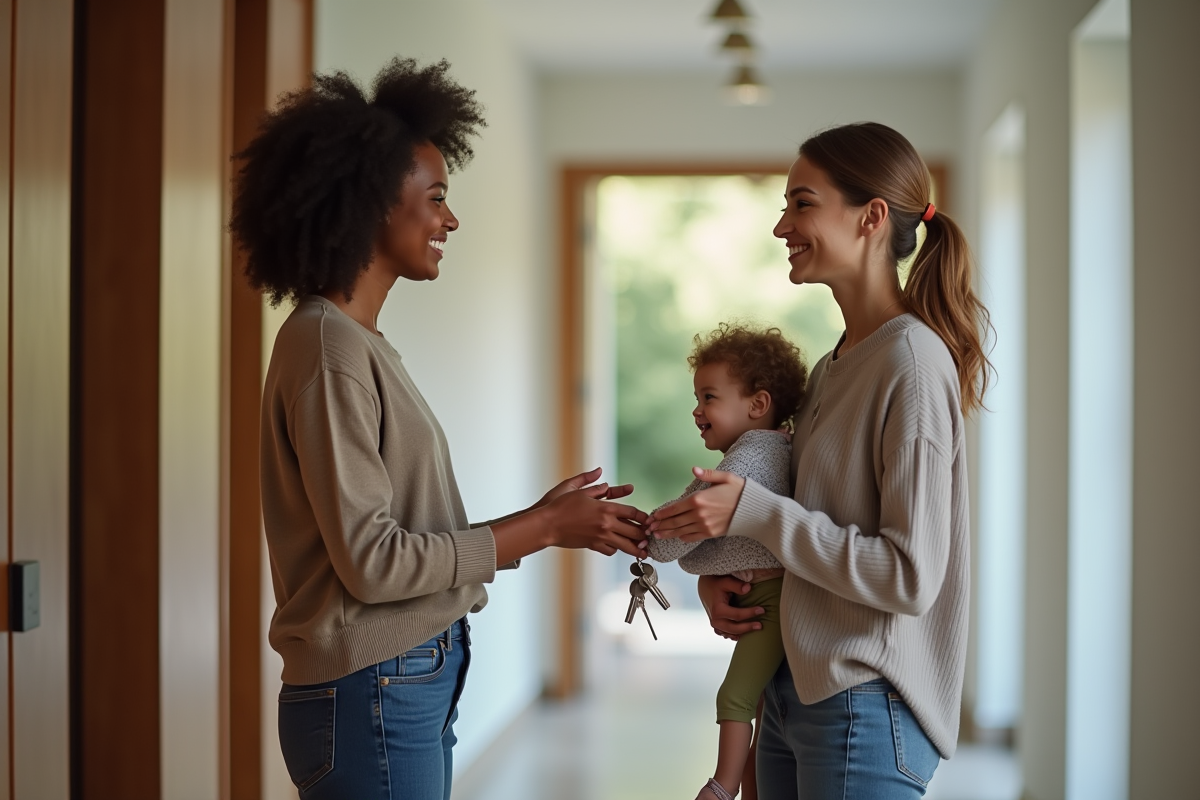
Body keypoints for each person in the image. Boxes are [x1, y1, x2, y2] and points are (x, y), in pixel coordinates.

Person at [231, 58, 648, 800]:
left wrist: (545, 522)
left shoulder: (355, 343)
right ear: (366, 203)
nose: (449, 219)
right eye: (435, 198)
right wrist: (543, 526)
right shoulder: (328, 347)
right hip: (374, 688)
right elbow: (373, 563)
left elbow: (392, 540)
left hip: (400, 681)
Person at [644, 122, 991, 799]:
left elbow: (909, 575)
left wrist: (756, 512)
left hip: (862, 702)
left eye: (801, 203)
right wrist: (726, 577)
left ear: (870, 218)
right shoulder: (836, 364)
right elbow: (807, 527)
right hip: (793, 689)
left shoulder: (910, 363)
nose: (782, 226)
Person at [644, 323, 807, 800]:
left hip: (771, 601)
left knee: (734, 697)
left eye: (709, 397)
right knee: (758, 708)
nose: (697, 410)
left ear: (757, 405)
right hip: (766, 597)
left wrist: (648, 535)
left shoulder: (747, 458)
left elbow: (678, 528)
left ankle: (721, 786)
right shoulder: (772, 447)